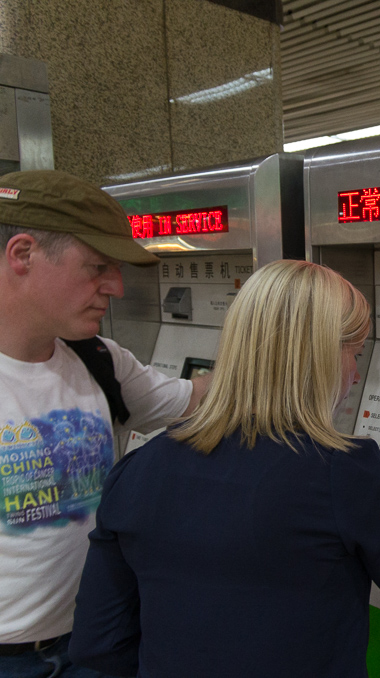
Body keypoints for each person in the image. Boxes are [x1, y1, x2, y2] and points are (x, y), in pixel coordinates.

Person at [69, 260, 380, 678]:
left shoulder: (138, 469)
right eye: (354, 354)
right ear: (316, 357)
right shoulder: (345, 474)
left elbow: (100, 641)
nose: (356, 374)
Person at [0, 170, 208, 677]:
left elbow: (197, 401)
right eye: (97, 267)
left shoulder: (99, 360)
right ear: (23, 255)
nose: (115, 287)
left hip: (97, 643)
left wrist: (282, 353)